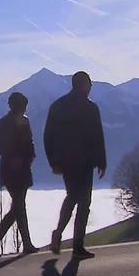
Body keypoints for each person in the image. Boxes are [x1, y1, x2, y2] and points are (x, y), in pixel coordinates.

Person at [44, 71, 106, 260]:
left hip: (69, 162)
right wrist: (101, 161)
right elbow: (98, 137)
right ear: (83, 85)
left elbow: (48, 136)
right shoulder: (90, 108)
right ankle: (76, 245)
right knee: (82, 202)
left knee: (75, 199)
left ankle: (63, 236)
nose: (91, 87)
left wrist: (53, 161)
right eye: (89, 83)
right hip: (82, 162)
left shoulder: (59, 106)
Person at [0, 92, 39, 257]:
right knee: (19, 206)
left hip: (22, 169)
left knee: (17, 207)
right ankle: (25, 243)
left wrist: (29, 156)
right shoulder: (5, 123)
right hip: (11, 171)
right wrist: (14, 157)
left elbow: (29, 143)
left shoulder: (25, 122)